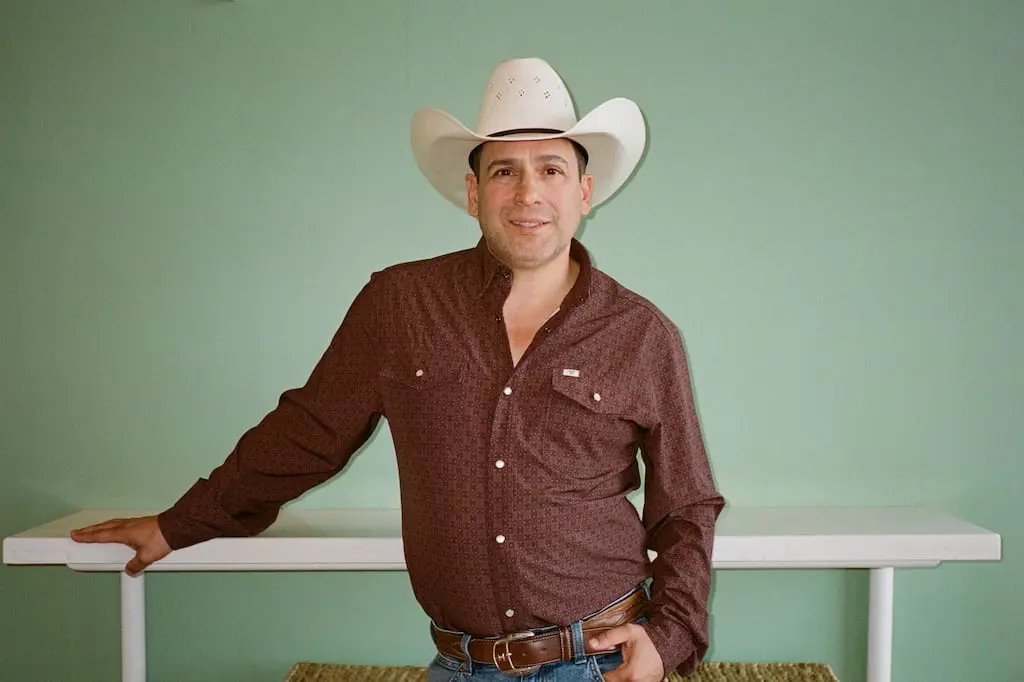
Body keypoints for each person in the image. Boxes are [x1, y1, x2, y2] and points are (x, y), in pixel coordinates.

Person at [71, 57, 726, 682]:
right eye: (504, 171)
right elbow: (309, 433)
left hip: (599, 661)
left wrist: (669, 638)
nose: (528, 193)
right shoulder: (400, 304)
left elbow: (687, 504)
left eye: (551, 169)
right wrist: (179, 523)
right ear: (473, 193)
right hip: (459, 664)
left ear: (583, 192)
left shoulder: (642, 334)